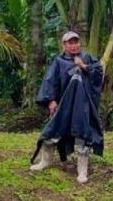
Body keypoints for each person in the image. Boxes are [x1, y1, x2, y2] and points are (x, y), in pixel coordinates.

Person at [31, 31, 103, 184]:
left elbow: (98, 74)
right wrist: (51, 100)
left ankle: (82, 170)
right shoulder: (59, 61)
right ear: (64, 45)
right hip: (63, 106)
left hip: (82, 107)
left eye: (76, 42)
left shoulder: (87, 58)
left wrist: (83, 66)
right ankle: (46, 161)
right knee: (51, 132)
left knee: (82, 135)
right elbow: (50, 81)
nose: (74, 45)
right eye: (70, 43)